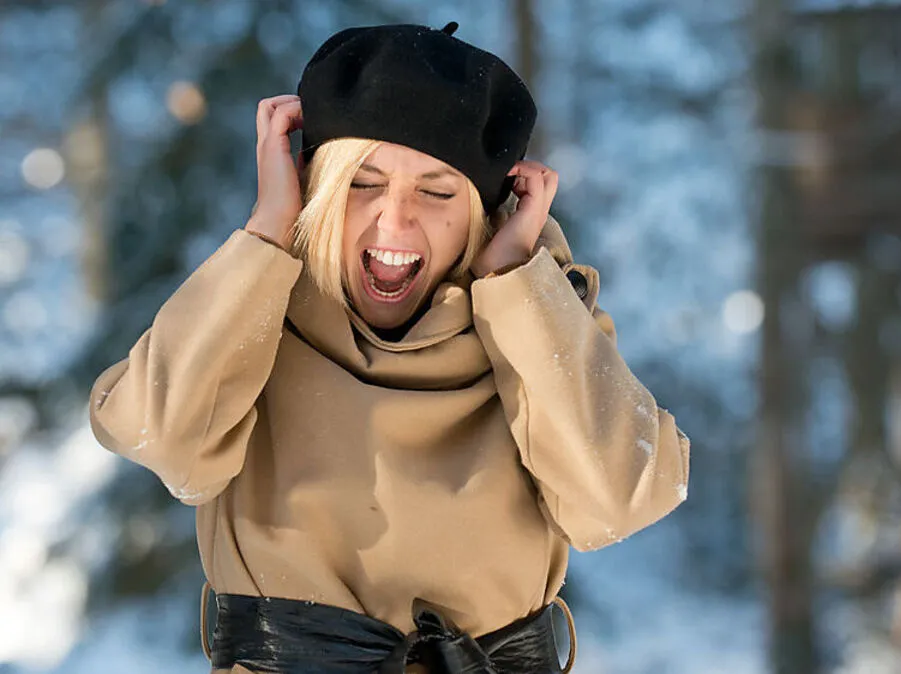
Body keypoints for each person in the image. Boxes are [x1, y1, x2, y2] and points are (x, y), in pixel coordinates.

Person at [88, 21, 690, 674]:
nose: (395, 219)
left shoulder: (539, 321)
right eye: (362, 183)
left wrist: (518, 282)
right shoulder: (255, 314)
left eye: (436, 191)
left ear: (482, 212)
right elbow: (161, 438)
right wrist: (265, 233)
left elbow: (618, 500)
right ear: (315, 190)